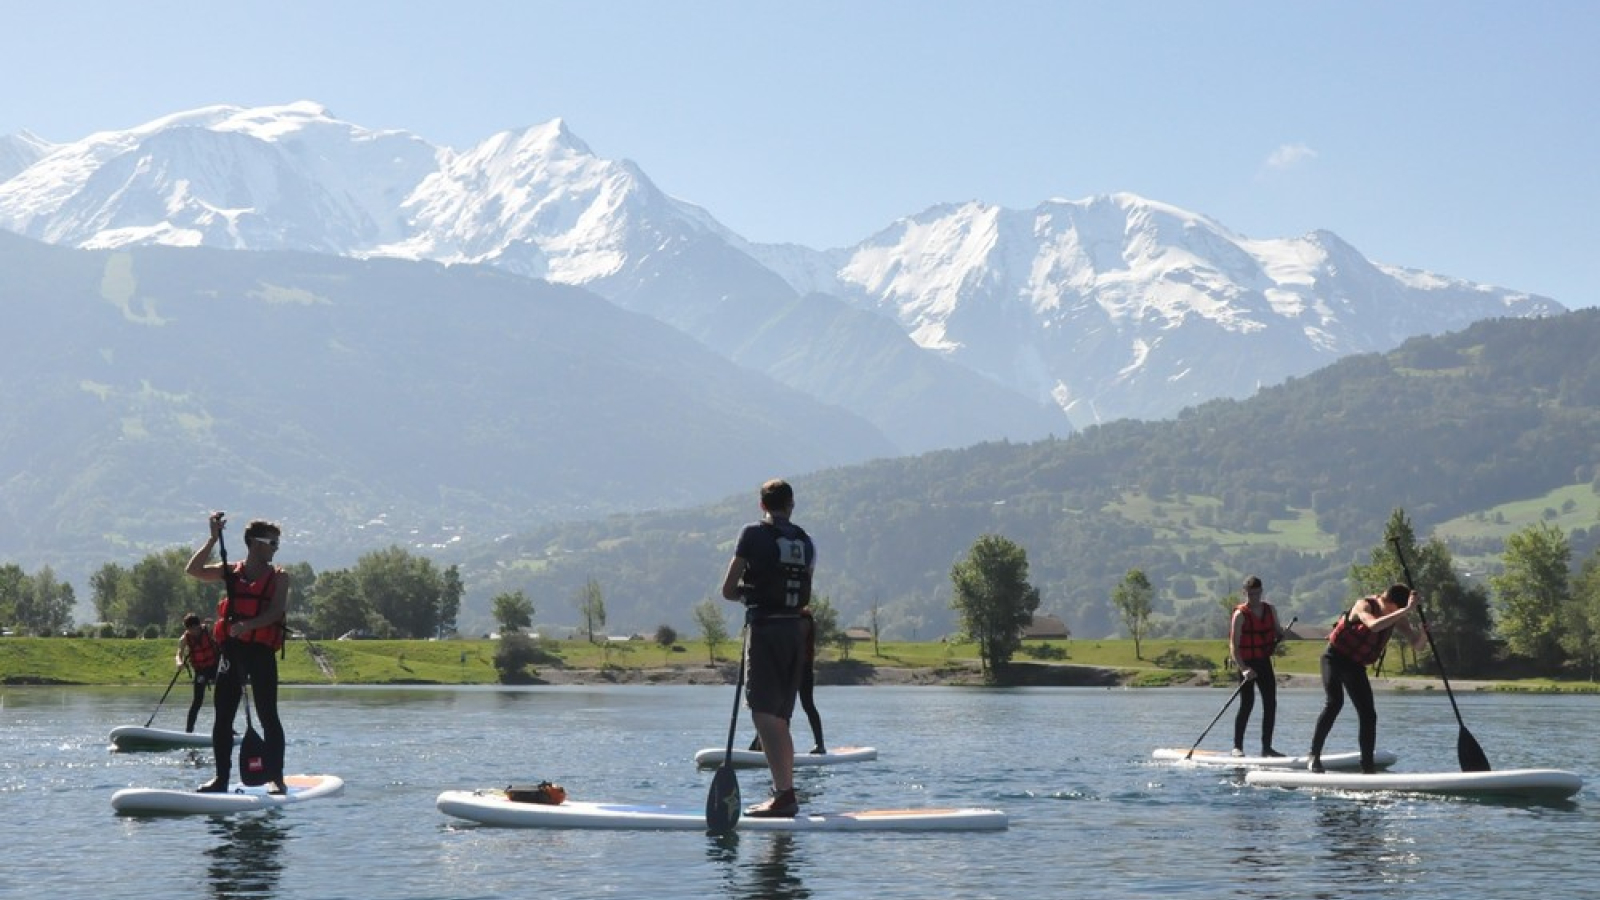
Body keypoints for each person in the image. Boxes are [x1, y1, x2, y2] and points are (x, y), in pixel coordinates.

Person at [720, 478, 815, 818]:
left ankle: (784, 796)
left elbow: (728, 589)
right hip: (797, 631)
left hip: (766, 629)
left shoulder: (752, 534)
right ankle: (784, 792)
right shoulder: (806, 541)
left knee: (762, 713)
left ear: (762, 505)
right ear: (791, 505)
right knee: (780, 717)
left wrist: (749, 592)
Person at [185, 511, 290, 794]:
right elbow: (193, 570)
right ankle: (221, 779)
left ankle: (276, 778)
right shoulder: (230, 571)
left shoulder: (280, 577)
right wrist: (211, 538)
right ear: (255, 544)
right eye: (273, 543)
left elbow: (275, 612)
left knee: (269, 715)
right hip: (232, 652)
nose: (276, 549)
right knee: (223, 717)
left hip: (261, 653)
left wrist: (247, 625)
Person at [1306, 583, 1426, 774]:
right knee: (1334, 703)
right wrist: (1406, 609)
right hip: (1334, 658)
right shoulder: (1364, 605)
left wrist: (1424, 633)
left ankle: (1367, 766)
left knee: (1368, 714)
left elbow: (1417, 646)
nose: (1400, 614)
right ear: (1389, 602)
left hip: (1354, 665)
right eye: (1398, 609)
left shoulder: (1397, 616)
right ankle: (1314, 755)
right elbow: (1373, 625)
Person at [750, 606, 826, 756]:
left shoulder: (804, 619)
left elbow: (794, 639)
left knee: (806, 705)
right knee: (774, 707)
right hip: (787, 667)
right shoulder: (789, 618)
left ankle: (819, 744)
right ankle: (759, 743)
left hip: (802, 668)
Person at [1229, 576, 1287, 758]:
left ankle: (1267, 748)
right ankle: (1237, 747)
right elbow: (1234, 646)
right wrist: (1244, 668)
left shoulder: (1270, 610)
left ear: (1261, 592)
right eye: (1250, 594)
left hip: (1264, 662)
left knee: (1270, 704)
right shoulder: (1240, 615)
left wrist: (1283, 634)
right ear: (1244, 593)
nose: (1253, 597)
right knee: (1247, 704)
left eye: (1256, 593)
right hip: (1246, 663)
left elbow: (1278, 631)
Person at [175, 613, 221, 734]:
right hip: (201, 670)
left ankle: (226, 728)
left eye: (195, 628)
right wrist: (179, 663)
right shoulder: (184, 638)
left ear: (199, 625)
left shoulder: (209, 629)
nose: (193, 632)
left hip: (215, 667)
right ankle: (188, 731)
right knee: (197, 701)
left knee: (221, 699)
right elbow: (179, 653)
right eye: (189, 629)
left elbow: (221, 631)